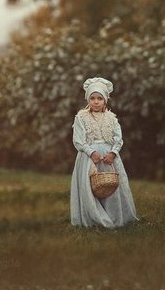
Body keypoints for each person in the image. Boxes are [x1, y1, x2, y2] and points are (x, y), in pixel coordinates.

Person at [70, 76, 139, 228]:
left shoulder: (111, 118)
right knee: (92, 185)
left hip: (108, 157)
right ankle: (94, 217)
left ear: (105, 100)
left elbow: (118, 138)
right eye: (92, 98)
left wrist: (113, 153)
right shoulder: (81, 117)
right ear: (88, 100)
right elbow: (78, 140)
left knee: (109, 185)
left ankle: (113, 215)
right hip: (90, 157)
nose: (96, 102)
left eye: (99, 98)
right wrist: (91, 152)